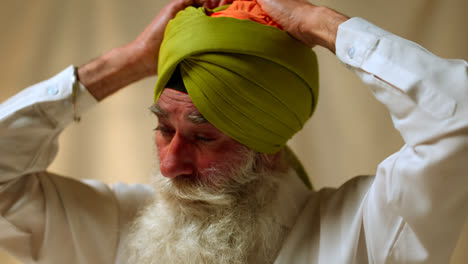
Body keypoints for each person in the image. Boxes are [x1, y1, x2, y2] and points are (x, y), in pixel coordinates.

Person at [1, 0, 467, 263]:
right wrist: (127, 63)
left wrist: (322, 25)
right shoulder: (114, 228)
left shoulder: (361, 233)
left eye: (205, 138)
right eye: (164, 129)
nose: (170, 164)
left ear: (267, 148)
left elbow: (457, 118)